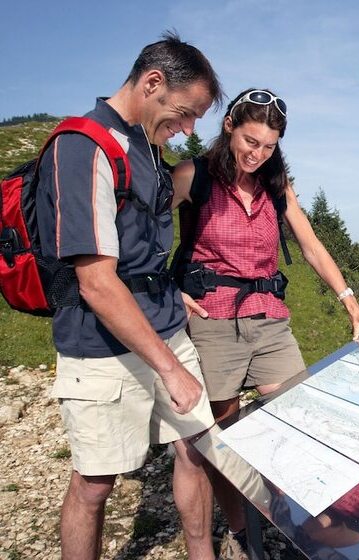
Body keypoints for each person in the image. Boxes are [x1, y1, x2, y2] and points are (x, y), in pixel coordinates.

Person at [171, 87, 359, 558]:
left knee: (298, 421)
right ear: (229, 126)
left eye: (269, 146)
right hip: (212, 321)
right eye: (251, 140)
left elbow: (311, 244)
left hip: (270, 319)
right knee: (224, 438)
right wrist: (165, 287)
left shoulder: (276, 184)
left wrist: (350, 301)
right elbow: (137, 228)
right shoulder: (194, 175)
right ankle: (240, 533)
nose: (258, 154)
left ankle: (302, 525)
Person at [35, 32, 223, 560]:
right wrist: (170, 368)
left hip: (162, 322)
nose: (187, 129)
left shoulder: (146, 146)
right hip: (99, 345)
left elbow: (140, 250)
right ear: (152, 82)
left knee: (195, 447)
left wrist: (166, 291)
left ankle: (202, 553)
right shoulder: (83, 146)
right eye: (186, 113)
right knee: (95, 485)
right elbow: (95, 279)